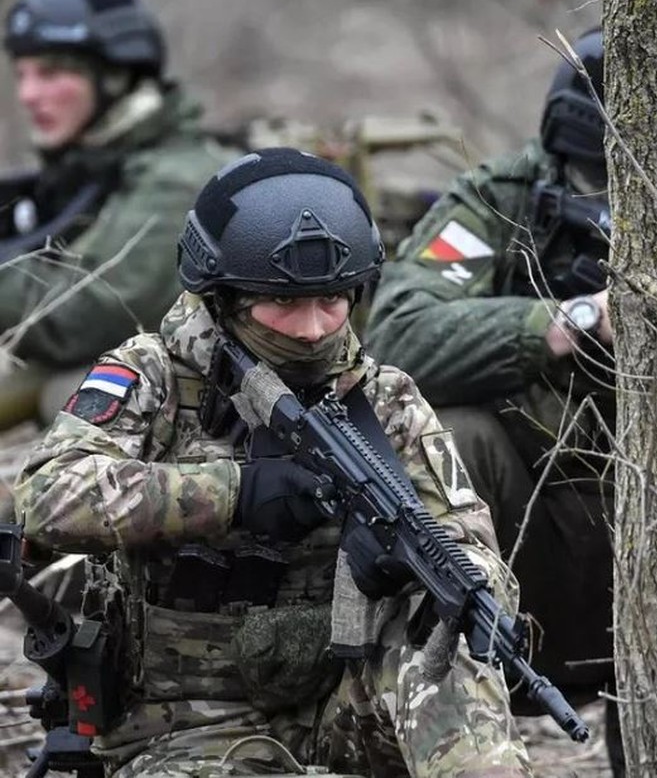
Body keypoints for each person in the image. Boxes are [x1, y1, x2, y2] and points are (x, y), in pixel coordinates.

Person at [14, 147, 535, 777]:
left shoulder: (385, 398)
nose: (314, 328)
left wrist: (403, 566)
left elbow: (469, 541)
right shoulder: (152, 376)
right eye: (282, 303)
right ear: (225, 297)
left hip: (343, 706)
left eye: (333, 300)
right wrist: (231, 493)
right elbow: (47, 495)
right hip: (182, 726)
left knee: (444, 631)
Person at [364, 28, 657, 774]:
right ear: (615, 162)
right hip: (519, 550)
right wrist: (576, 319)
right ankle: (443, 729)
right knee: (452, 439)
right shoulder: (504, 204)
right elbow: (399, 334)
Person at [0, 0, 238, 431]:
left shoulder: (177, 179)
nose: (28, 94)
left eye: (51, 73)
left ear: (114, 77)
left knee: (69, 393)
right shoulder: (95, 166)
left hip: (210, 403)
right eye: (23, 73)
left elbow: (85, 315)